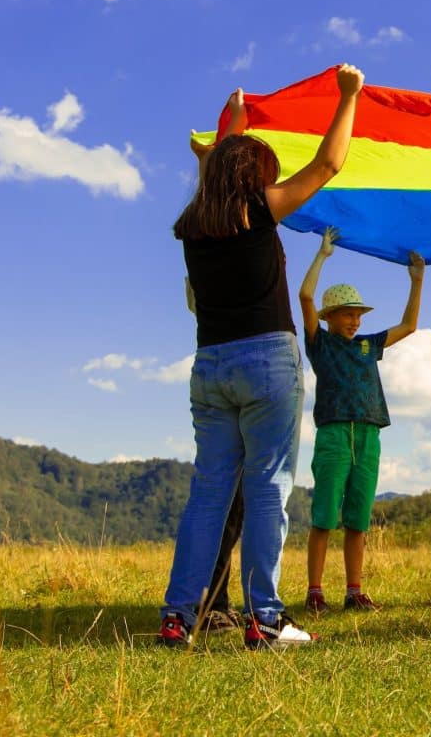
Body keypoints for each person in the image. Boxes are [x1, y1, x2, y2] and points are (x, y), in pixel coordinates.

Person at [159, 64, 365, 650]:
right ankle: (266, 619)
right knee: (269, 488)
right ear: (253, 177)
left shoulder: (196, 223)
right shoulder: (258, 209)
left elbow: (214, 174)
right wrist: (347, 97)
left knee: (209, 492)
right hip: (267, 363)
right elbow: (329, 164)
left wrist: (236, 122)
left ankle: (179, 617)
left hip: (210, 367)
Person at [299, 227, 424, 614]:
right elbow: (305, 296)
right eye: (347, 315)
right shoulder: (320, 344)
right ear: (330, 318)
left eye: (357, 314)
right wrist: (322, 255)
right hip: (334, 434)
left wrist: (416, 281)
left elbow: (409, 326)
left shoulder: (369, 345)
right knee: (324, 517)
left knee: (358, 520)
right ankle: (315, 591)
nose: (354, 321)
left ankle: (354, 590)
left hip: (369, 434)